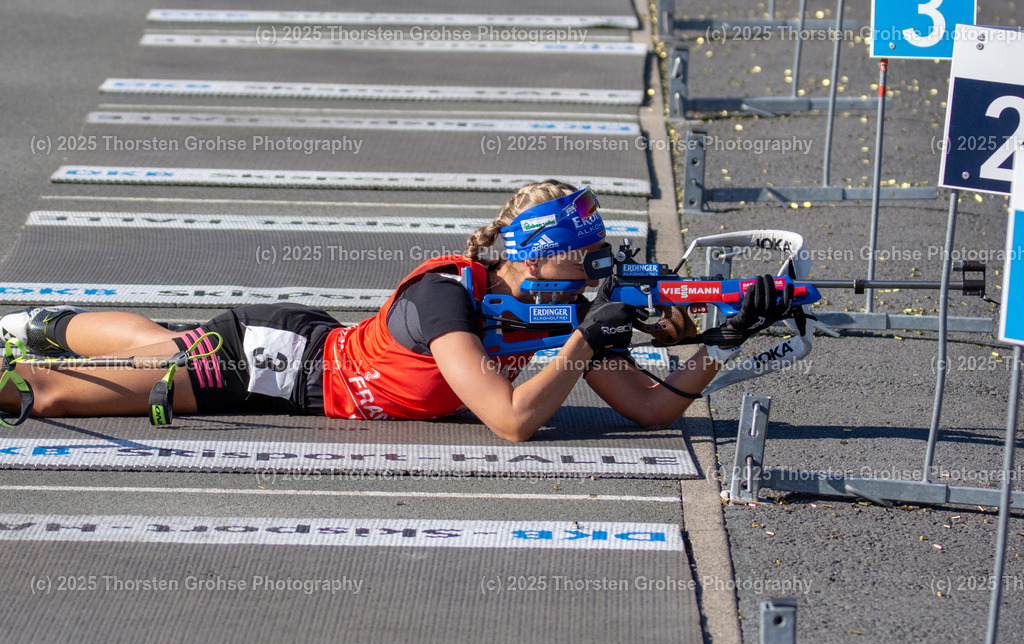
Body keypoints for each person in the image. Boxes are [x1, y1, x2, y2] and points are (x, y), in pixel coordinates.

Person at [0, 180, 785, 441]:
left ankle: (46, 319)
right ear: (535, 255)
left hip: (312, 353)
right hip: (282, 363)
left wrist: (726, 339)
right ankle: (30, 347)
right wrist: (585, 338)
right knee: (113, 379)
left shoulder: (562, 308)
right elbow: (510, 420)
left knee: (158, 341)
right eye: (583, 256)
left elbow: (649, 408)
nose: (594, 271)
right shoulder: (449, 297)